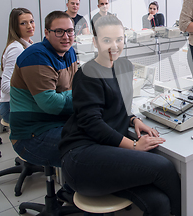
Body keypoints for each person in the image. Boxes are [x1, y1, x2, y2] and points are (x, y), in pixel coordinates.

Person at [59, 15, 181, 216]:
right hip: (82, 157)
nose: (114, 46)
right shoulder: (87, 74)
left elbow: (120, 106)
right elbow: (92, 123)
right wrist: (133, 145)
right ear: (95, 41)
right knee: (163, 167)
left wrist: (134, 120)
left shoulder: (124, 67)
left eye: (119, 39)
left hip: (107, 151)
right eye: (107, 40)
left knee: (158, 202)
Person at [9, 10, 77, 168]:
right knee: (91, 145)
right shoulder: (36, 56)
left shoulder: (69, 51)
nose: (66, 37)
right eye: (59, 32)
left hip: (59, 120)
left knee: (104, 130)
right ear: (46, 33)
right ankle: (69, 192)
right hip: (32, 134)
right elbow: (51, 104)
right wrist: (86, 98)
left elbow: (77, 87)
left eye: (69, 31)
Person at [0, 8, 35, 124]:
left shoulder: (28, 44)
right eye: (23, 23)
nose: (30, 26)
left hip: (19, 103)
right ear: (15, 26)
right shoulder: (16, 49)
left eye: (31, 21)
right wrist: (33, 90)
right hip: (11, 107)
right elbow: (5, 86)